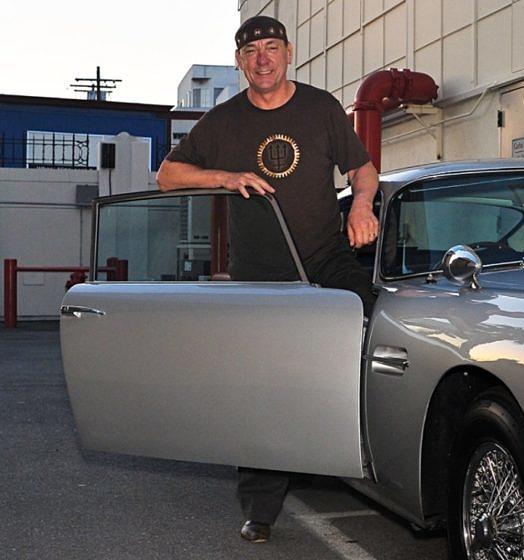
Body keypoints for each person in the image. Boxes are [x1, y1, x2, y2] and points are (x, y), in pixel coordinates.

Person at [156, 15, 379, 544]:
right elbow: (167, 175)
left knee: (377, 330)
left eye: (272, 48)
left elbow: (362, 170)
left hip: (325, 261)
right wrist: (225, 177)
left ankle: (366, 455)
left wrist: (361, 205)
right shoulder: (223, 121)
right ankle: (260, 509)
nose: (263, 59)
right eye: (252, 51)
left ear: (288, 53)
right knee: (261, 389)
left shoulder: (320, 108)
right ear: (239, 61)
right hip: (259, 276)